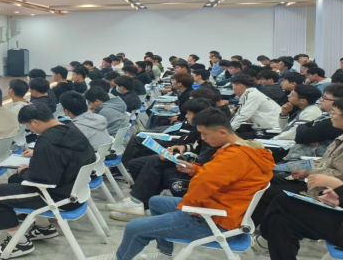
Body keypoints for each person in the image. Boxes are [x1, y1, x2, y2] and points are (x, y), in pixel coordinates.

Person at [90, 108, 275, 260]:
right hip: (228, 209)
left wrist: (191, 206)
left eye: (204, 134)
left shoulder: (233, 156)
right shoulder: (249, 148)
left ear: (222, 132)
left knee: (135, 227)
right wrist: (194, 170)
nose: (203, 138)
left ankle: (120, 258)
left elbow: (204, 183)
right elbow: (218, 177)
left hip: (217, 219)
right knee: (156, 202)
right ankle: (164, 254)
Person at [0, 103, 95, 258]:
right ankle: (43, 227)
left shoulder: (47, 141)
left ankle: (20, 244)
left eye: (27, 125)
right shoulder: (71, 129)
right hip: (76, 190)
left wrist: (26, 171)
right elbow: (65, 156)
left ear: (35, 122)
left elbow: (44, 179)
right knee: (14, 179)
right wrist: (36, 160)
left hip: (59, 197)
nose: (29, 129)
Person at [252, 98, 343, 227]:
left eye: (333, 112)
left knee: (267, 192)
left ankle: (252, 228)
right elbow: (328, 162)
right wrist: (306, 171)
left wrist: (309, 172)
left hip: (327, 191)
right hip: (318, 179)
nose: (330, 116)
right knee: (268, 178)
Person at [108, 99, 218, 222]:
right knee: (136, 164)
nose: (186, 116)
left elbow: (201, 159)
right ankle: (140, 203)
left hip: (192, 173)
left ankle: (137, 202)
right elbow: (196, 147)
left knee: (156, 162)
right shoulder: (205, 130)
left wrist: (175, 156)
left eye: (189, 114)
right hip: (189, 165)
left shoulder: (212, 136)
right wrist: (183, 147)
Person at [259, 173, 343, 260]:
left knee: (283, 201)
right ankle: (263, 240)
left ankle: (262, 240)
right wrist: (340, 196)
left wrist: (338, 186)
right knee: (280, 220)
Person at [283, 83, 343, 160]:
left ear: (339, 102)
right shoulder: (326, 115)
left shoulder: (334, 121)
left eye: (325, 98)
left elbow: (300, 137)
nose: (321, 100)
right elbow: (303, 126)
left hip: (314, 159)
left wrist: (308, 133)